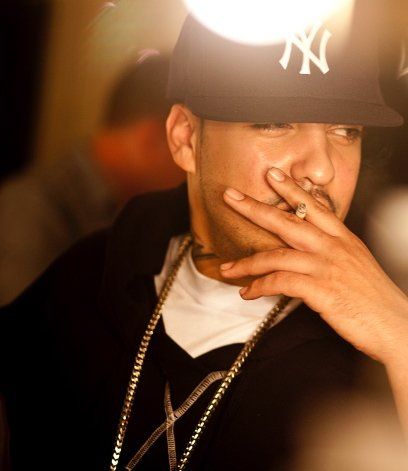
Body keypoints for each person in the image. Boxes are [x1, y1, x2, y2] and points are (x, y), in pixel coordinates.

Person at [2, 3, 408, 470]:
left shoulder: (382, 336)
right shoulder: (88, 279)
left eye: (346, 130)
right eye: (275, 122)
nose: (320, 168)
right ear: (186, 138)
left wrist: (399, 336)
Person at [0, 52, 185, 306]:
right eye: (188, 147)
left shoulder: (127, 210)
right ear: (151, 139)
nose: (192, 171)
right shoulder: (30, 210)